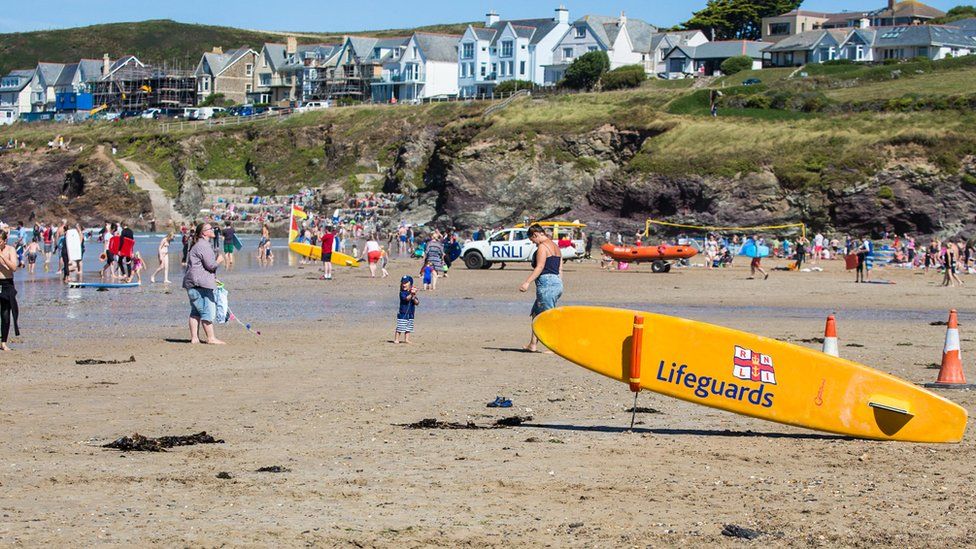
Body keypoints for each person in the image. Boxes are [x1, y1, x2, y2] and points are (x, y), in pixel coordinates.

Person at [519, 224, 563, 353]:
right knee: (536, 313)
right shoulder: (556, 246)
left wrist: (527, 282)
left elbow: (539, 267)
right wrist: (559, 283)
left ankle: (554, 347)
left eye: (532, 240)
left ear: (536, 234)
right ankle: (533, 344)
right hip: (556, 282)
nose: (533, 243)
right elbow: (560, 268)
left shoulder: (543, 247)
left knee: (548, 316)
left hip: (547, 284)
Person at [182, 223, 225, 345]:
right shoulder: (203, 245)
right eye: (210, 228)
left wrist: (213, 279)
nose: (213, 230)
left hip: (193, 282)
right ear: (203, 233)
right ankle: (211, 338)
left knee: (195, 311)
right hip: (199, 284)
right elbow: (211, 266)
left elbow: (199, 267)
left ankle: (194, 338)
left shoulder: (198, 245)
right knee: (208, 310)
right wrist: (219, 260)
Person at [0, 230, 20, 351]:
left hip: (7, 283)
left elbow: (13, 268)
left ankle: (3, 342)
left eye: (0, 241)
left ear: (5, 240)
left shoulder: (10, 250)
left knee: (6, 314)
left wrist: (2, 256)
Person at [394, 275, 419, 344]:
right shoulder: (402, 293)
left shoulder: (412, 294)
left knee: (408, 328)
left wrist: (414, 296)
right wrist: (411, 294)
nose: (404, 284)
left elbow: (417, 303)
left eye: (405, 283)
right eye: (402, 283)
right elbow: (406, 299)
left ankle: (406, 339)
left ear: (410, 284)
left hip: (411, 313)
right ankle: (396, 339)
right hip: (403, 313)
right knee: (400, 327)